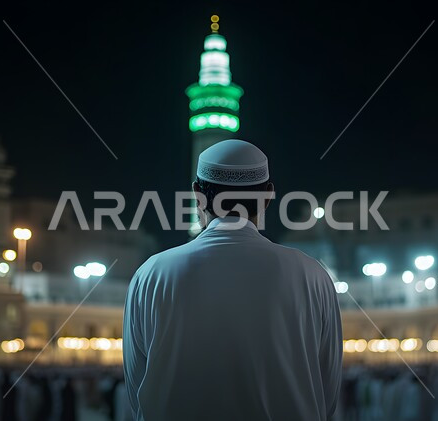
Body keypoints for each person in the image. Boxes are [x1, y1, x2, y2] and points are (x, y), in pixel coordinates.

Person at [123, 139, 342, 420]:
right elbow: (327, 392)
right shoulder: (312, 275)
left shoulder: (151, 275)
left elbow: (136, 390)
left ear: (197, 194)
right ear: (269, 194)